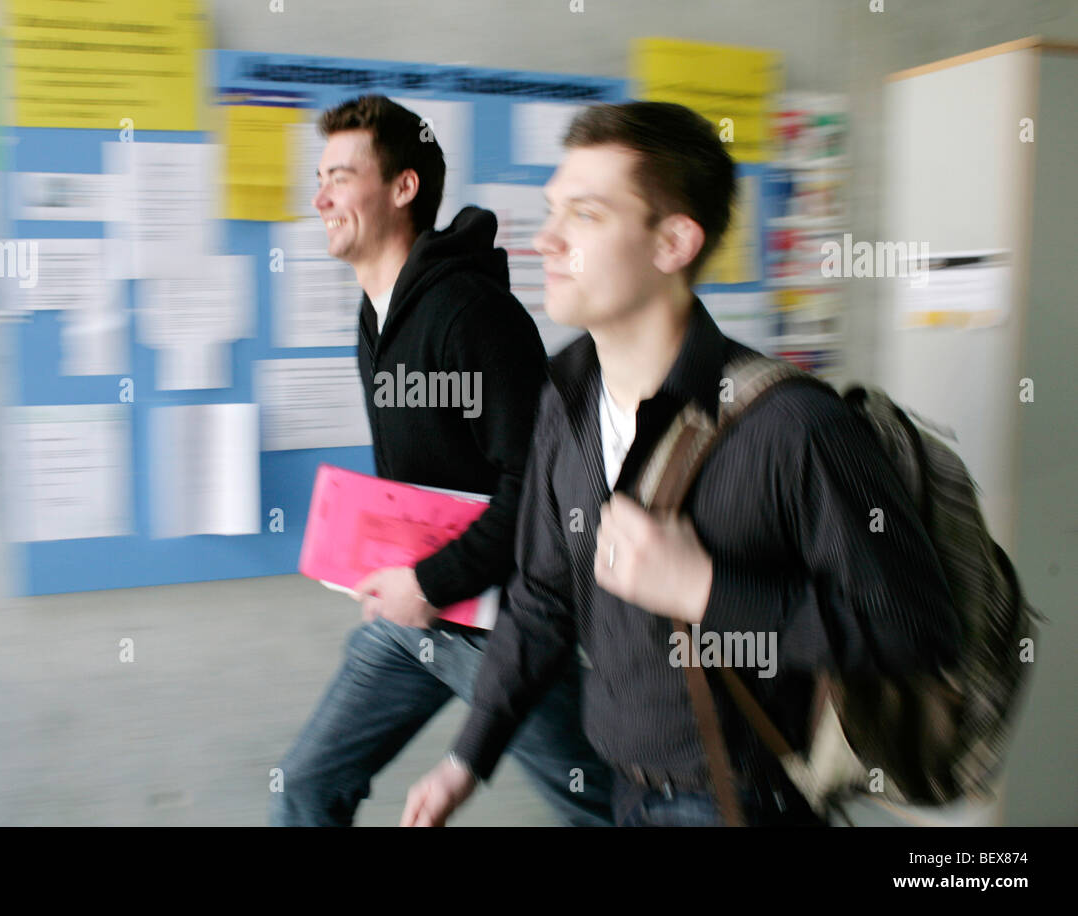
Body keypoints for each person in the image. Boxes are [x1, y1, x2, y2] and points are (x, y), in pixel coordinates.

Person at [401, 100, 961, 827]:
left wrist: (704, 587)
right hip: (620, 794)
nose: (545, 239)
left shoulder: (793, 425)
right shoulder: (563, 398)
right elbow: (541, 602)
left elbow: (914, 628)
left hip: (742, 802)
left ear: (673, 242)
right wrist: (464, 761)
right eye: (551, 210)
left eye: (587, 215)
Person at [270, 94, 614, 827]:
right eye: (320, 175)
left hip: (500, 627)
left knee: (607, 808)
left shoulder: (470, 315)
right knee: (303, 786)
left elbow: (539, 492)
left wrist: (431, 581)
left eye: (340, 175)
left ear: (403, 188)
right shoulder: (377, 314)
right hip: (414, 617)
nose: (320, 195)